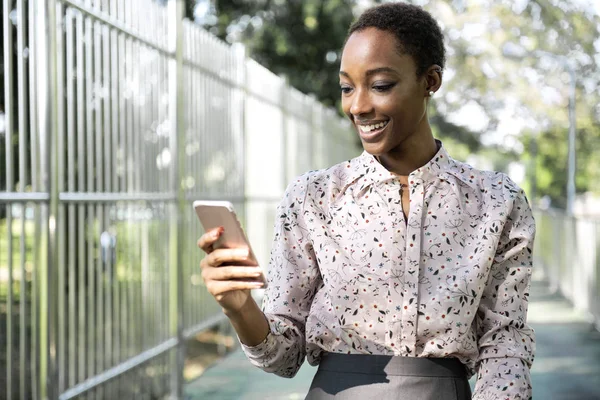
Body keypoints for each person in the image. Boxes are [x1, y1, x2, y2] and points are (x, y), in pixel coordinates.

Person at [198, 3, 535, 399]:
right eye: (346, 87)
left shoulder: (496, 201)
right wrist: (240, 308)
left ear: (430, 81)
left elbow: (505, 347)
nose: (357, 106)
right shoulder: (313, 198)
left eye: (380, 85)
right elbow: (284, 357)